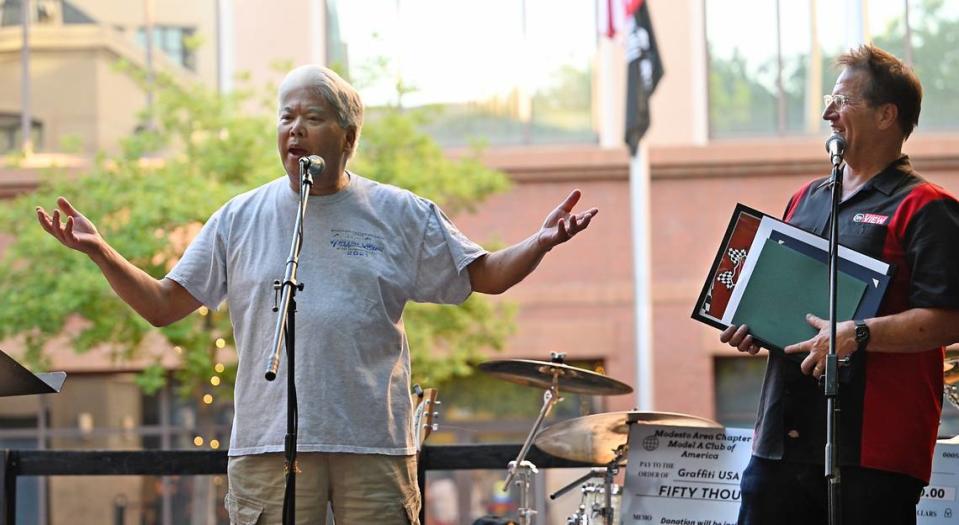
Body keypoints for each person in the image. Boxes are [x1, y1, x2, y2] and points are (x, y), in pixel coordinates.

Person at [35, 65, 598, 524]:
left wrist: (540, 243)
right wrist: (101, 251)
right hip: (266, 447)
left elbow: (485, 275)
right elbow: (162, 306)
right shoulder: (239, 217)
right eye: (286, 117)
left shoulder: (400, 212)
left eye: (312, 116)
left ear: (348, 138)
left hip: (374, 446)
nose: (295, 128)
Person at [720, 44, 959, 525]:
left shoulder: (927, 207)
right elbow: (784, 300)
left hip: (873, 451)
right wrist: (758, 326)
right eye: (829, 101)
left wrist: (858, 334)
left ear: (887, 114)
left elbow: (949, 318)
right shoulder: (805, 197)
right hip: (780, 441)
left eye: (843, 101)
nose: (829, 112)